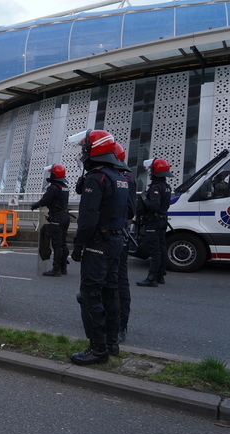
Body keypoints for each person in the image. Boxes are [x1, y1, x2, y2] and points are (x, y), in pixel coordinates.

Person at [68, 129, 129, 365]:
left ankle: (98, 348)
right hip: (115, 241)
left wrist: (79, 245)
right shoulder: (119, 177)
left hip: (98, 243)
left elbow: (88, 218)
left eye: (85, 148)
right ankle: (112, 343)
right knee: (111, 291)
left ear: (95, 149)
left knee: (91, 294)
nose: (83, 153)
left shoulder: (97, 177)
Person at [136, 158, 173, 287]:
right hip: (162, 220)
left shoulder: (156, 187)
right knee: (162, 248)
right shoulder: (166, 187)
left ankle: (151, 277)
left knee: (154, 250)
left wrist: (144, 197)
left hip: (154, 222)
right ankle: (160, 275)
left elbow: (153, 206)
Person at [114, 143, 136, 343]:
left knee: (119, 280)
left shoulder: (123, 178)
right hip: (111, 237)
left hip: (116, 236)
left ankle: (120, 324)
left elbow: (130, 211)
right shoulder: (106, 175)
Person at [31, 164, 70, 276]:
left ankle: (56, 269)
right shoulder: (64, 186)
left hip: (57, 217)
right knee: (63, 243)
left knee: (57, 245)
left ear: (54, 174)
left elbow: (45, 200)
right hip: (64, 216)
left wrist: (35, 205)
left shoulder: (53, 187)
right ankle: (63, 267)